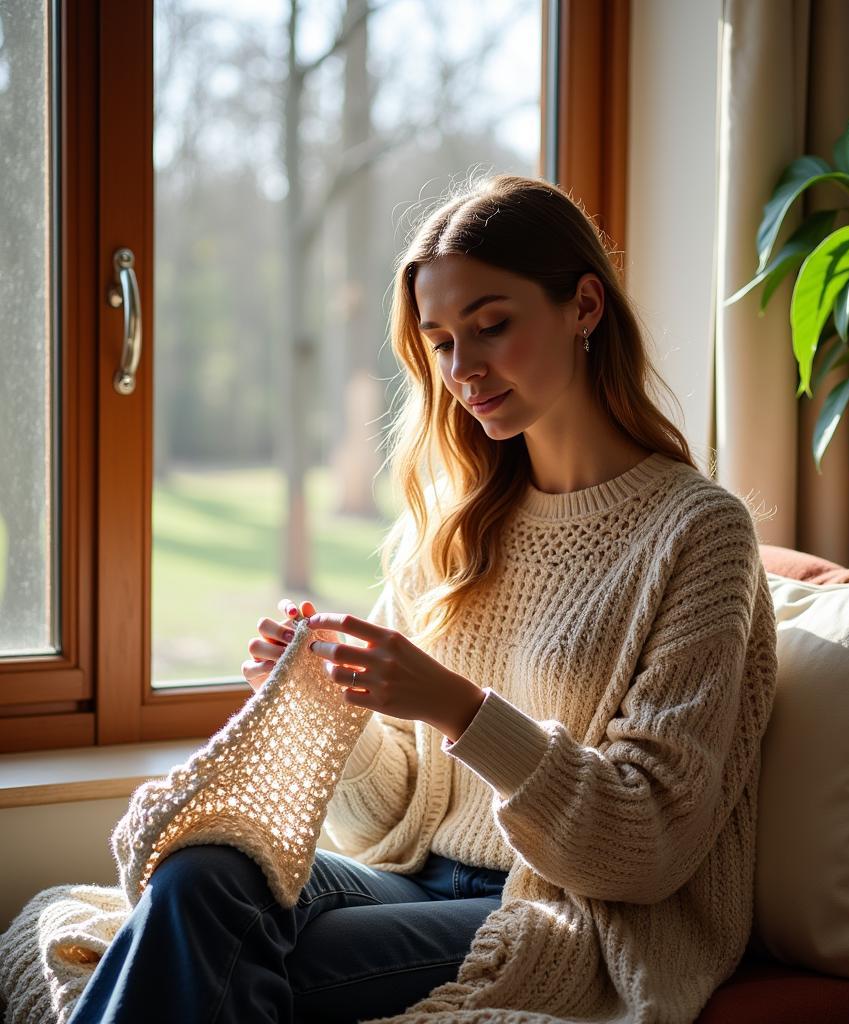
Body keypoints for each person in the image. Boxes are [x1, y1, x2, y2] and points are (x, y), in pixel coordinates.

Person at [67, 172, 778, 1024]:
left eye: (492, 326)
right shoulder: (448, 525)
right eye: (440, 341)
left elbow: (649, 846)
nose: (463, 369)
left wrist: (457, 707)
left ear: (584, 305)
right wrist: (344, 706)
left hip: (556, 907)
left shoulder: (698, 534)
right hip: (409, 877)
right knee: (199, 870)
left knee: (222, 950)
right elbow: (383, 828)